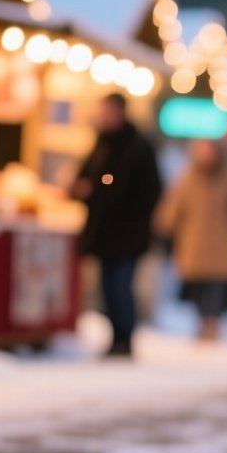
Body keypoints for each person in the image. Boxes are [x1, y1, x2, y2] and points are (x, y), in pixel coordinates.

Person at [73, 93, 162, 358]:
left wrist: (101, 192)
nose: (105, 117)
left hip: (127, 234)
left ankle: (124, 339)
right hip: (105, 232)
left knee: (120, 285)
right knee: (107, 288)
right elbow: (85, 178)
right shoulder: (102, 143)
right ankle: (116, 338)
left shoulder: (136, 146)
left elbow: (148, 190)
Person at [157, 140, 227, 342]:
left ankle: (211, 324)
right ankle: (202, 321)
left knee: (215, 286)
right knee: (198, 286)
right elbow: (172, 209)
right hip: (194, 243)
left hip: (222, 243)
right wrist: (168, 226)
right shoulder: (189, 179)